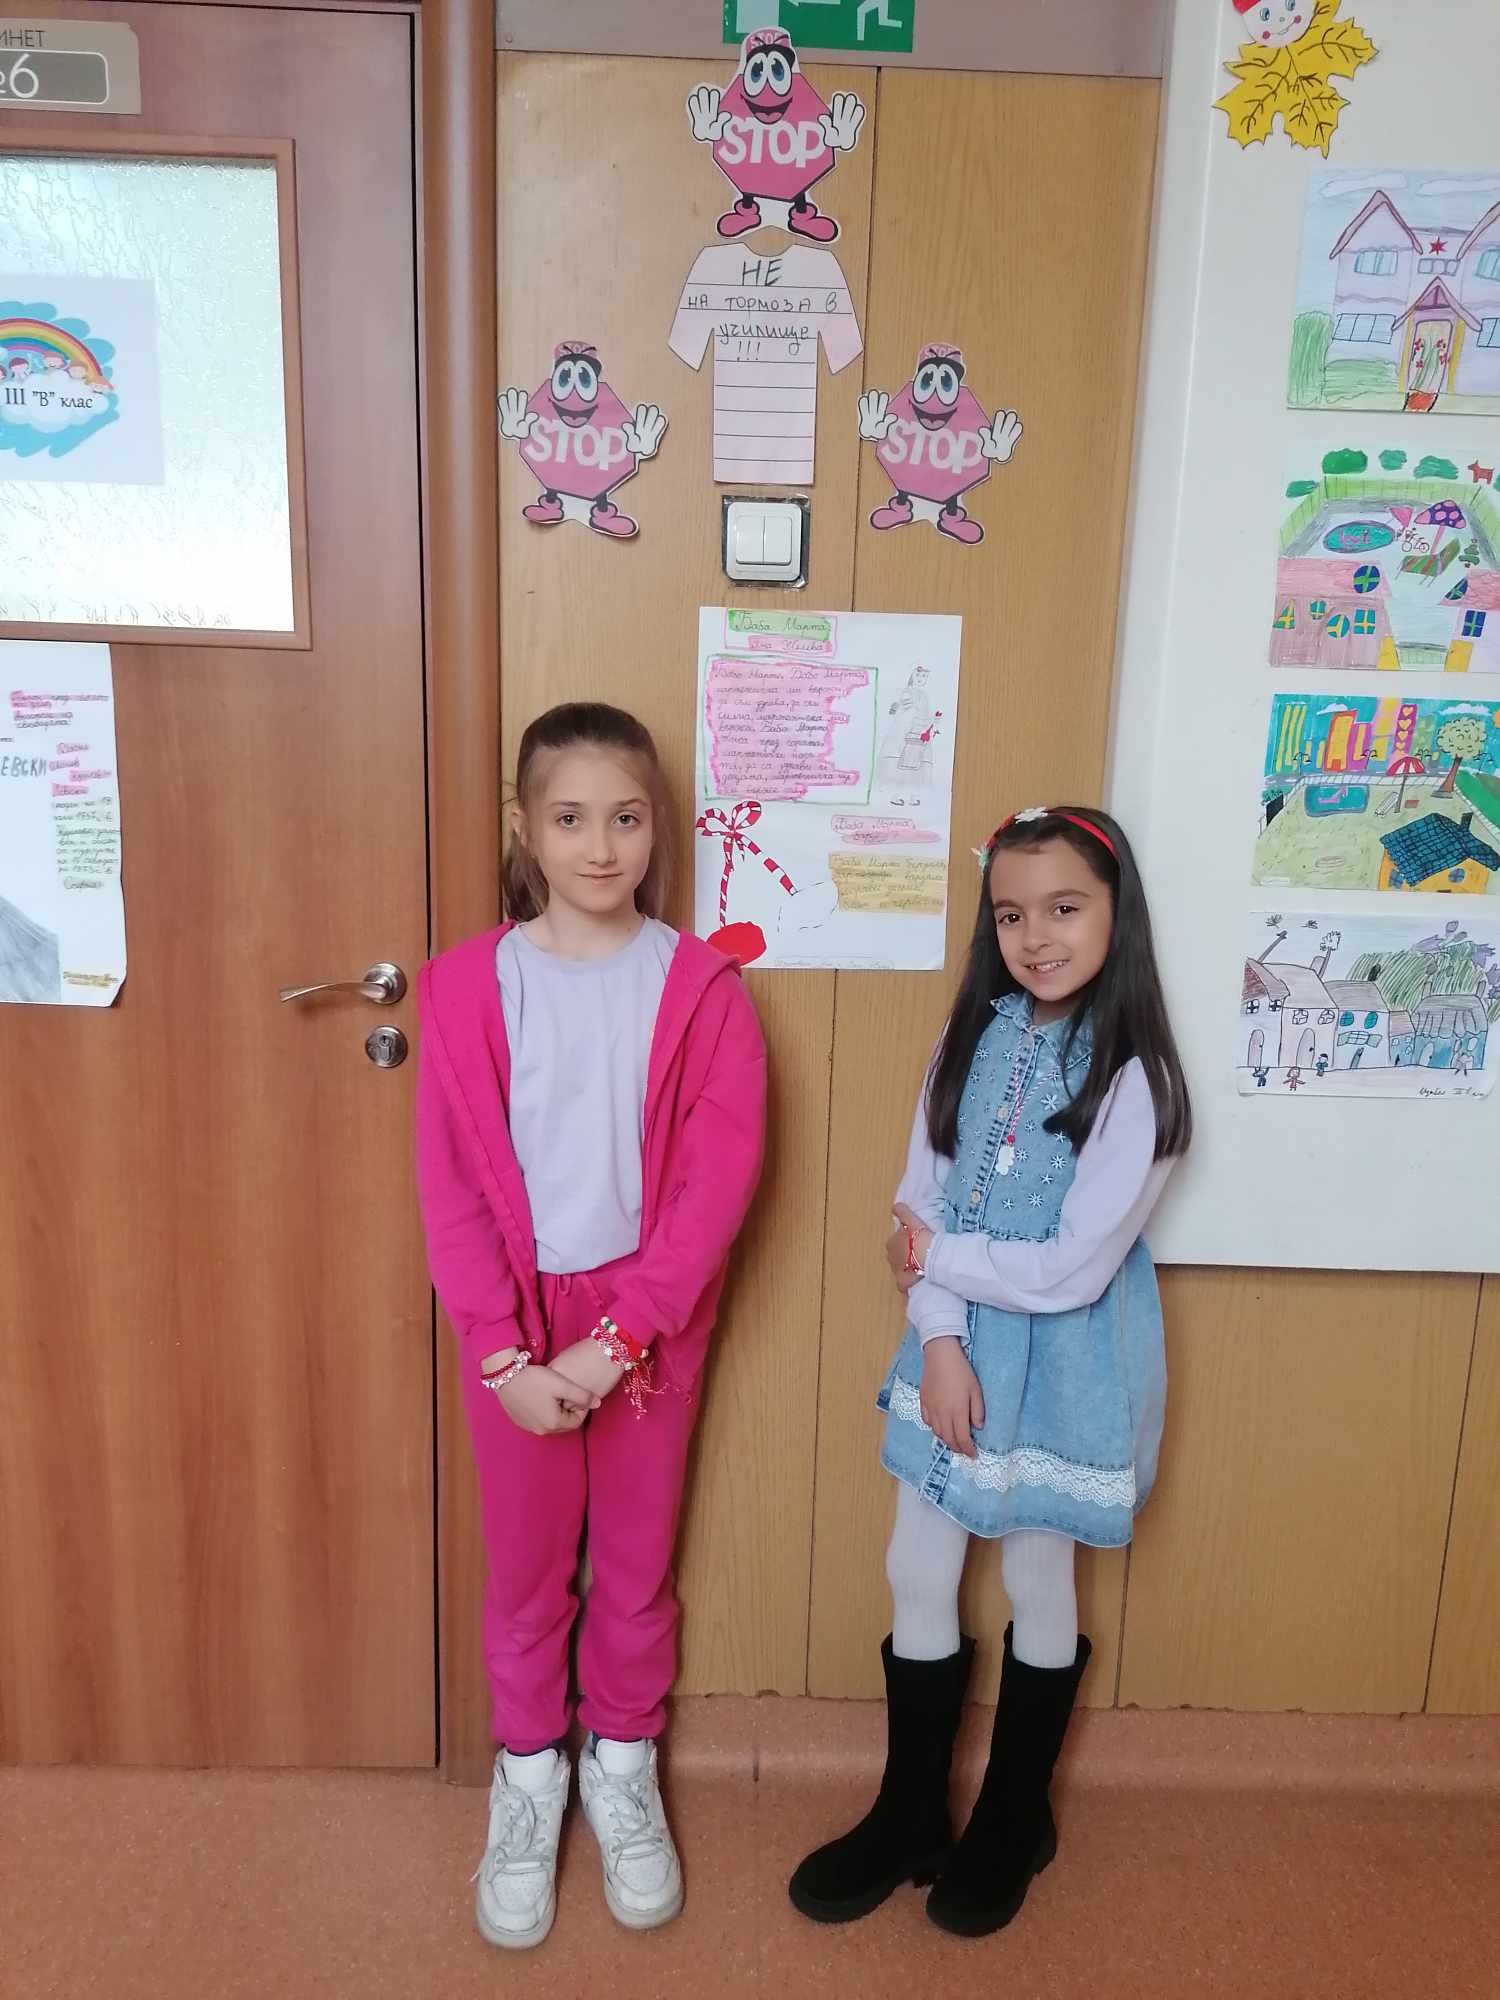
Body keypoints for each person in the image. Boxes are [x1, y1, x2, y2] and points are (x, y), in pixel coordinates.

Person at [790, 803, 1190, 1939]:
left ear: (1116, 913)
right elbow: (916, 1202)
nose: (1036, 935)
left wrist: (932, 1260)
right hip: (954, 1346)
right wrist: (942, 1335)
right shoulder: (970, 1036)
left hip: (1064, 1366)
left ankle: (1014, 1816)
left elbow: (1069, 1268)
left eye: (1063, 908)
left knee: (1036, 1574)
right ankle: (912, 1809)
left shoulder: (1139, 1080)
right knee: (914, 1561)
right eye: (1011, 914)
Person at [416, 702, 767, 1951]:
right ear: (525, 827)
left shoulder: (702, 988)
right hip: (516, 1330)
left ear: (657, 825)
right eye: (570, 818)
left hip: (644, 1327)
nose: (600, 845)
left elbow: (716, 1186)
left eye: (625, 817)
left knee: (633, 1562)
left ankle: (621, 1758)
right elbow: (451, 1188)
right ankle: (529, 1771)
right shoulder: (465, 987)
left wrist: (618, 1343)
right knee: (525, 1571)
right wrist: (502, 1354)